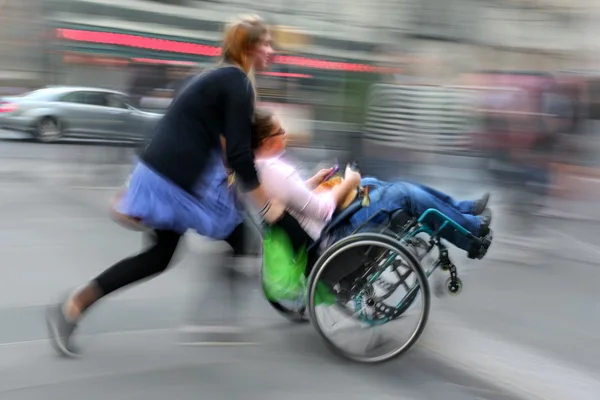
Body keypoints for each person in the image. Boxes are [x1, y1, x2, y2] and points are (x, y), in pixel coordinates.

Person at [45, 15, 284, 357]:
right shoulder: (236, 83)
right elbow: (239, 154)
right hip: (179, 180)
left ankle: (73, 305)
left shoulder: (216, 76)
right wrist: (265, 204)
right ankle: (217, 321)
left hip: (163, 172)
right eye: (265, 44)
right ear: (248, 47)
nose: (271, 51)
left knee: (159, 256)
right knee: (242, 238)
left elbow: (210, 134)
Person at [248, 108, 492, 254]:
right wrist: (349, 182)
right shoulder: (274, 170)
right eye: (280, 131)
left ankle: (463, 211)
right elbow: (319, 210)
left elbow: (291, 199)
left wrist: (313, 181)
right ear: (268, 141)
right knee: (403, 193)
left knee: (378, 183)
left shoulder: (263, 169)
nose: (285, 134)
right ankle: (470, 235)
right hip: (336, 230)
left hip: (331, 222)